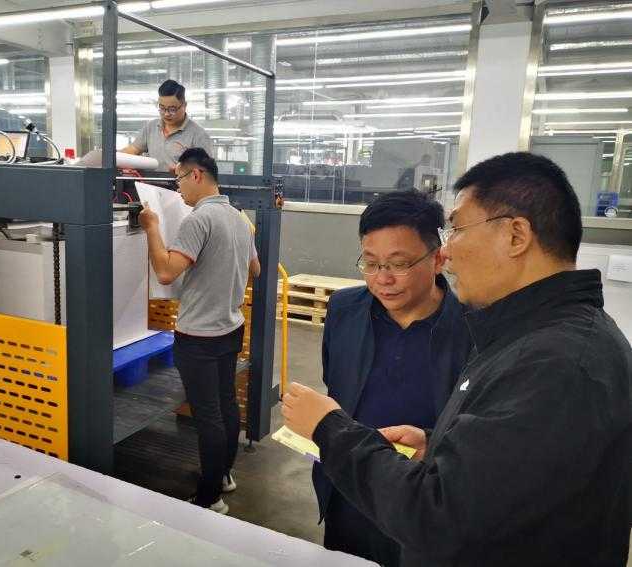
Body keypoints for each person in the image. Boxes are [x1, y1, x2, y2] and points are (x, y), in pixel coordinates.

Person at [282, 152, 632, 566]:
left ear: (516, 235)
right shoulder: (530, 337)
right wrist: (436, 445)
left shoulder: (558, 363)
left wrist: (328, 427)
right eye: (372, 264)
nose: (448, 252)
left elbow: (438, 515)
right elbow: (509, 463)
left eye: (457, 230)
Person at [315, 190, 471, 566]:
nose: (382, 279)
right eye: (371, 263)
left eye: (398, 264)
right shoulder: (343, 311)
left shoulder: (473, 329)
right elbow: (336, 384)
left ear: (437, 259)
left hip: (425, 501)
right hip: (348, 489)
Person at [139, 147, 260, 515]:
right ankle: (223, 476)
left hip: (199, 337)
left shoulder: (199, 220)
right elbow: (255, 269)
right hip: (230, 328)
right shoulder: (238, 218)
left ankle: (210, 499)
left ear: (196, 175)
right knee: (225, 405)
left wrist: (152, 227)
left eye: (178, 179)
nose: (177, 188)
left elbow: (165, 272)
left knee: (208, 416)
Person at [121, 79, 213, 173]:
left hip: (179, 182)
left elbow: (207, 171)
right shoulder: (151, 127)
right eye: (162, 108)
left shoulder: (198, 135)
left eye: (172, 109)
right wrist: (115, 157)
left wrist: (183, 170)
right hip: (150, 181)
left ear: (184, 106)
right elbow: (133, 150)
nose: (166, 114)